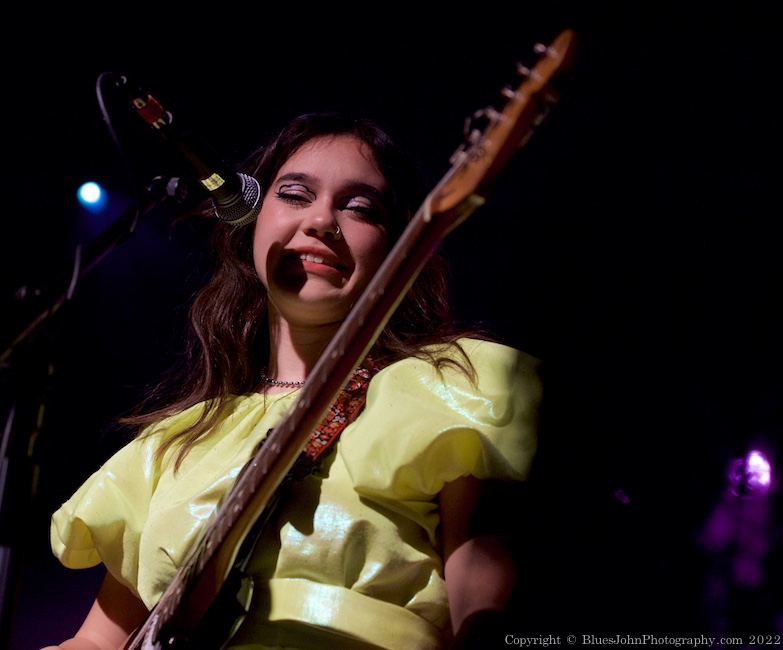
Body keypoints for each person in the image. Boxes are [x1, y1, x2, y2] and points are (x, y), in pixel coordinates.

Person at [40, 111, 542, 650]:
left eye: (360, 208)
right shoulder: (169, 447)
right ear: (252, 222)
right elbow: (95, 641)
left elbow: (485, 598)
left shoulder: (451, 384)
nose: (322, 220)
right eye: (295, 195)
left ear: (400, 248)